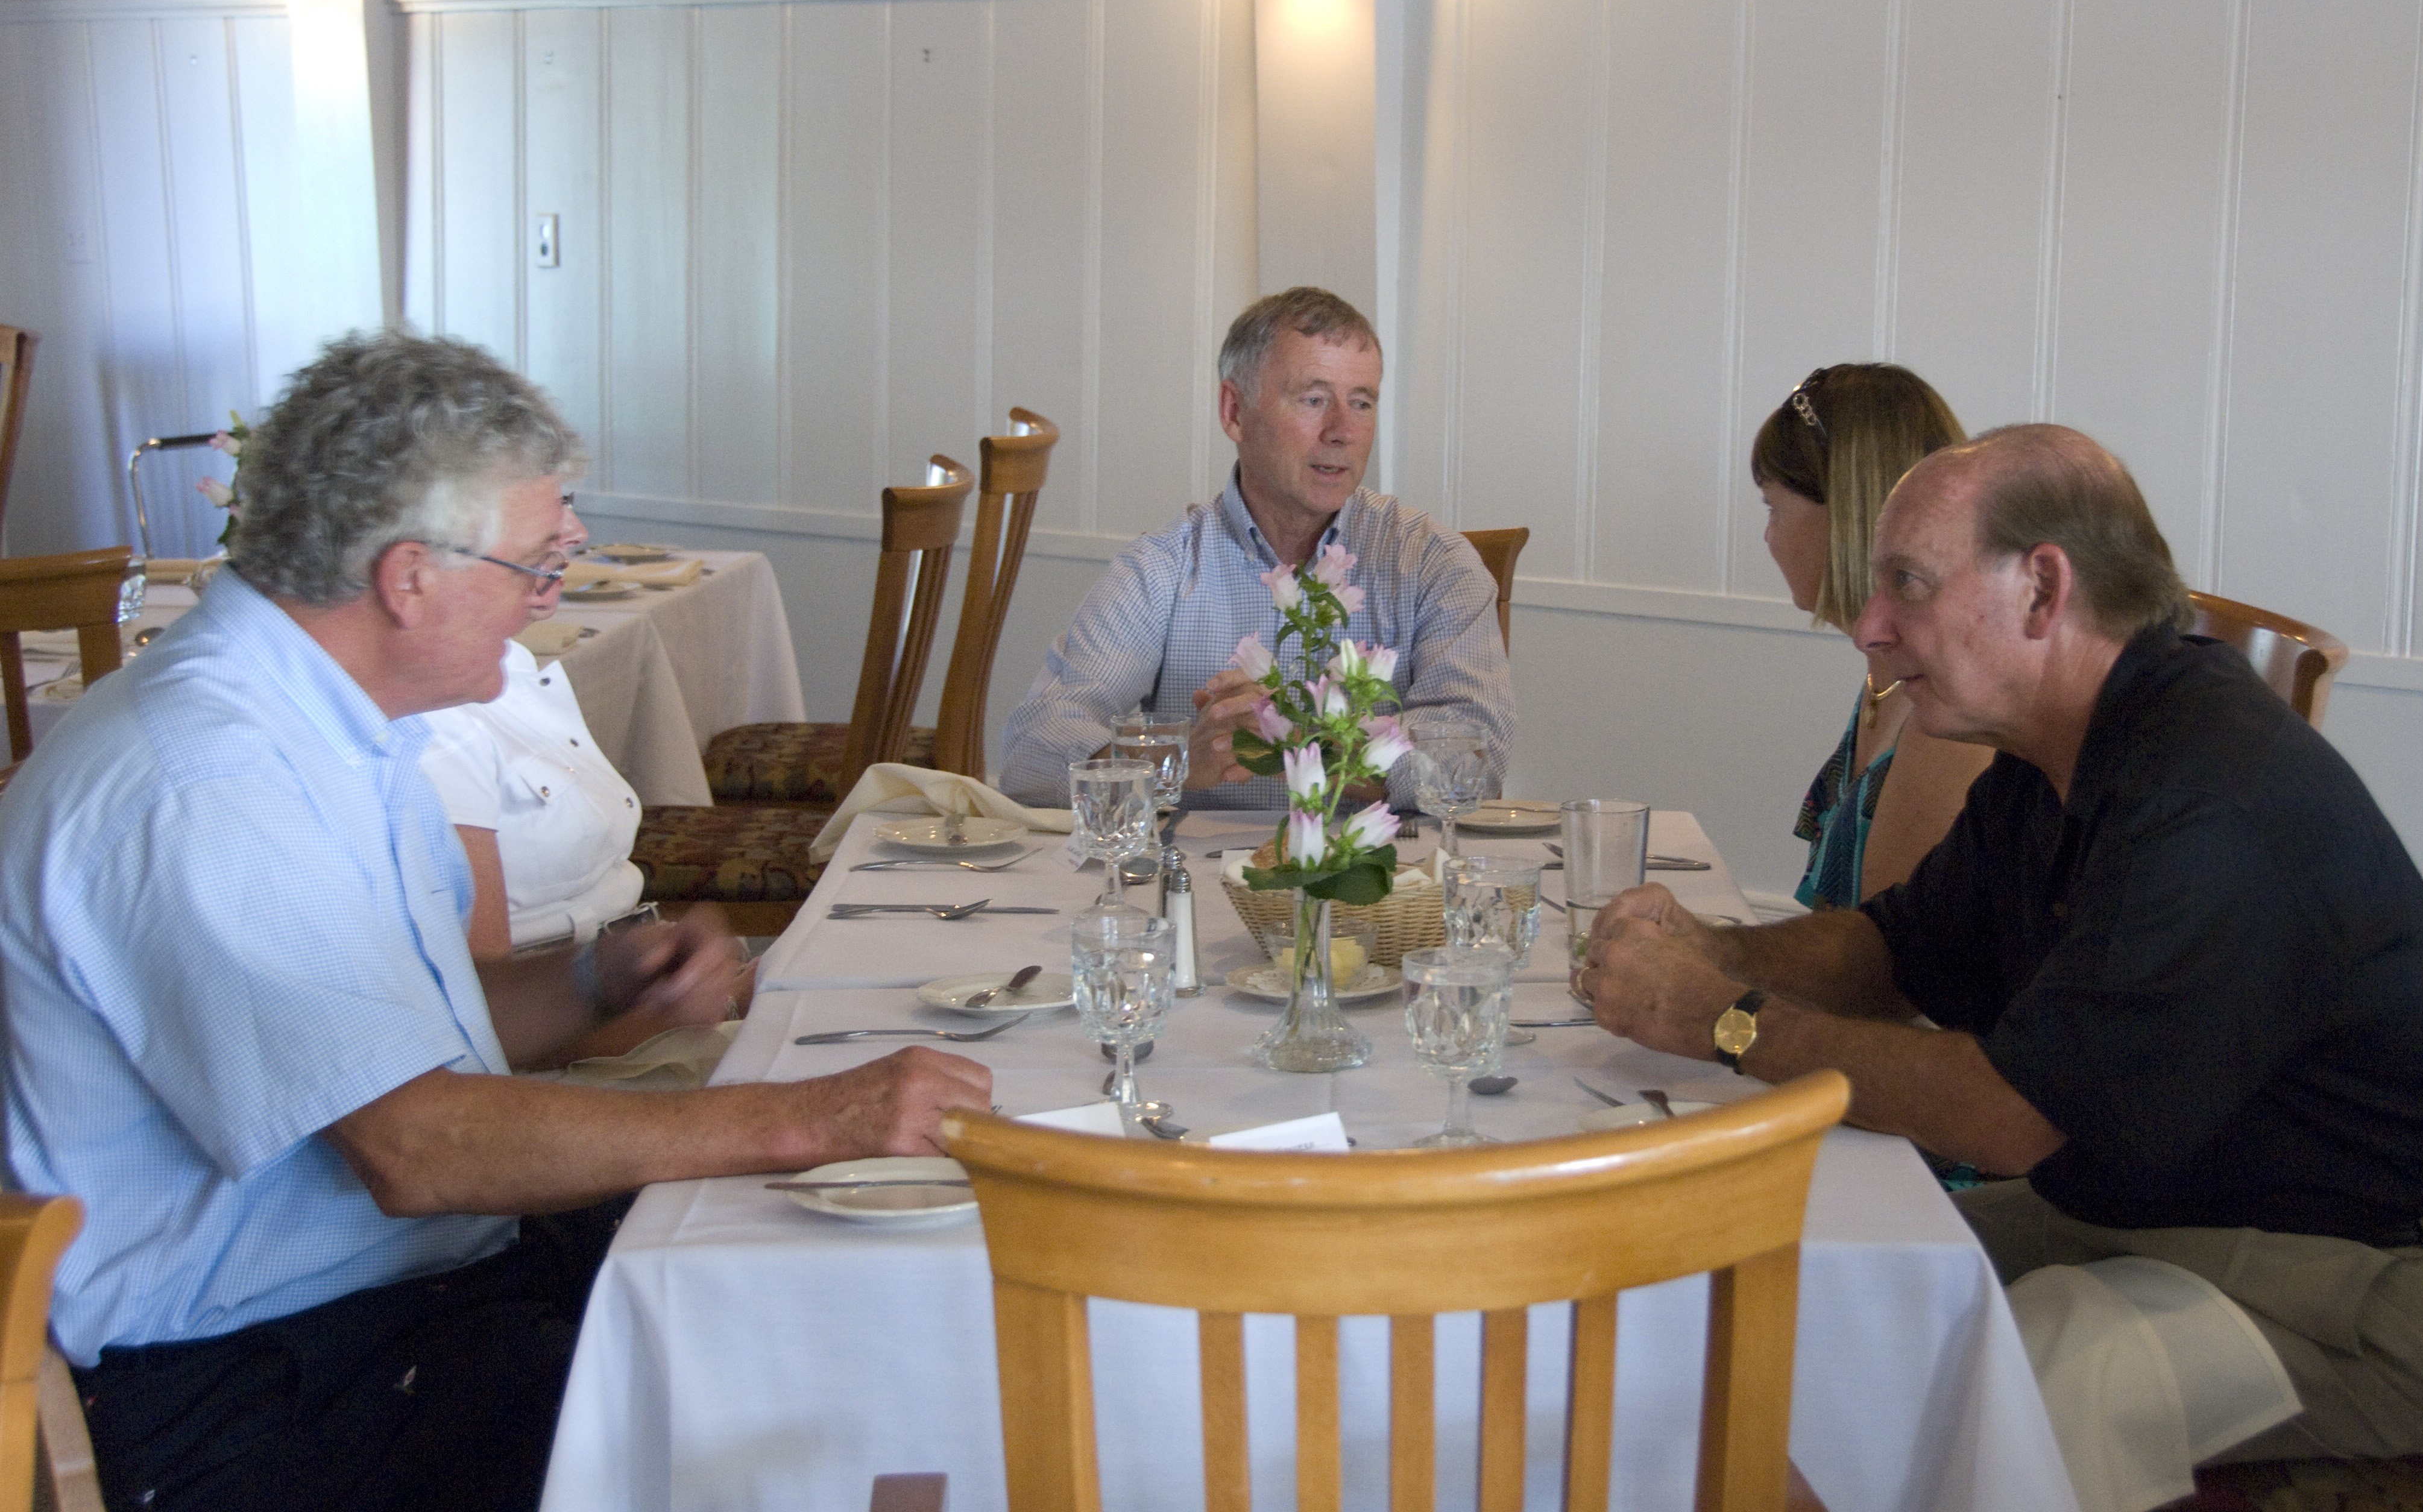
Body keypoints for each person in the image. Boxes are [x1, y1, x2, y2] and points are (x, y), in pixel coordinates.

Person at [0, 332, 991, 1512]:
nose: (549, 595)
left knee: (865, 1311)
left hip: (411, 1297)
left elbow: (407, 1038)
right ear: (409, 577)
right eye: (537, 561)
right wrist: (804, 1116)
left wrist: (592, 984)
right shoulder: (208, 781)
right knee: (831, 1417)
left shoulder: (335, 732)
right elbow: (414, 1146)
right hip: (256, 1385)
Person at [1583, 425, 2423, 1512]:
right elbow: (1896, 949)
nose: (1870, 623)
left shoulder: (2208, 794)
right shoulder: (2060, 748)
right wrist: (1714, 951)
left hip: (2360, 1293)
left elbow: (2008, 1117)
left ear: (2041, 588)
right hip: (2168, 1219)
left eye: (1907, 583)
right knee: (1785, 1274)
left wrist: (1728, 1018)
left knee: (2001, 1377)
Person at [994, 286, 1513, 811]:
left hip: (1378, 863)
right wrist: (1175, 761)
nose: (1343, 431)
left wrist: (1305, 743)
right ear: (1235, 411)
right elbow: (1032, 752)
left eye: (1362, 403)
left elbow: (1476, 760)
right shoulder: (1165, 567)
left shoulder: (1433, 562)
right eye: (1314, 400)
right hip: (1202, 866)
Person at [416, 492, 745, 1062]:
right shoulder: (434, 719)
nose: (576, 530)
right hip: (593, 1056)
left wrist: (671, 973)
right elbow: (474, 1042)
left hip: (634, 1009)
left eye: (568, 499)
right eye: (547, 503)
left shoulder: (508, 664)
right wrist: (734, 1003)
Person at [1751, 363, 1993, 909]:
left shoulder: (1947, 720)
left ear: (1845, 517)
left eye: (1773, 508)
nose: (1767, 536)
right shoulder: (1885, 680)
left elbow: (1884, 951)